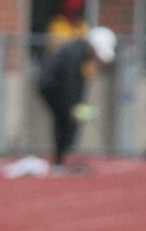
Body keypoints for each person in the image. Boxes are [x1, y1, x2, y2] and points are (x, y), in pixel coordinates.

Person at [38, 26, 116, 171]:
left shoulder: (80, 52)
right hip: (52, 88)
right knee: (65, 121)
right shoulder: (75, 54)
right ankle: (60, 160)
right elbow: (69, 82)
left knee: (67, 121)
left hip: (56, 88)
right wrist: (73, 106)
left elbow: (76, 83)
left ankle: (62, 158)